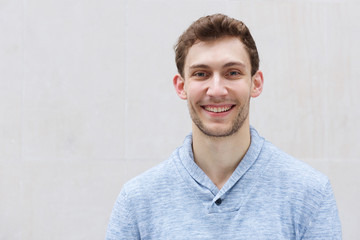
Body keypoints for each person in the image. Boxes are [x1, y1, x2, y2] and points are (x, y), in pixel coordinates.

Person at [106, 14, 342, 239]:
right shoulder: (137, 201)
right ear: (181, 86)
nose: (217, 90)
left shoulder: (310, 194)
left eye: (232, 73)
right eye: (201, 74)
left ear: (255, 83)